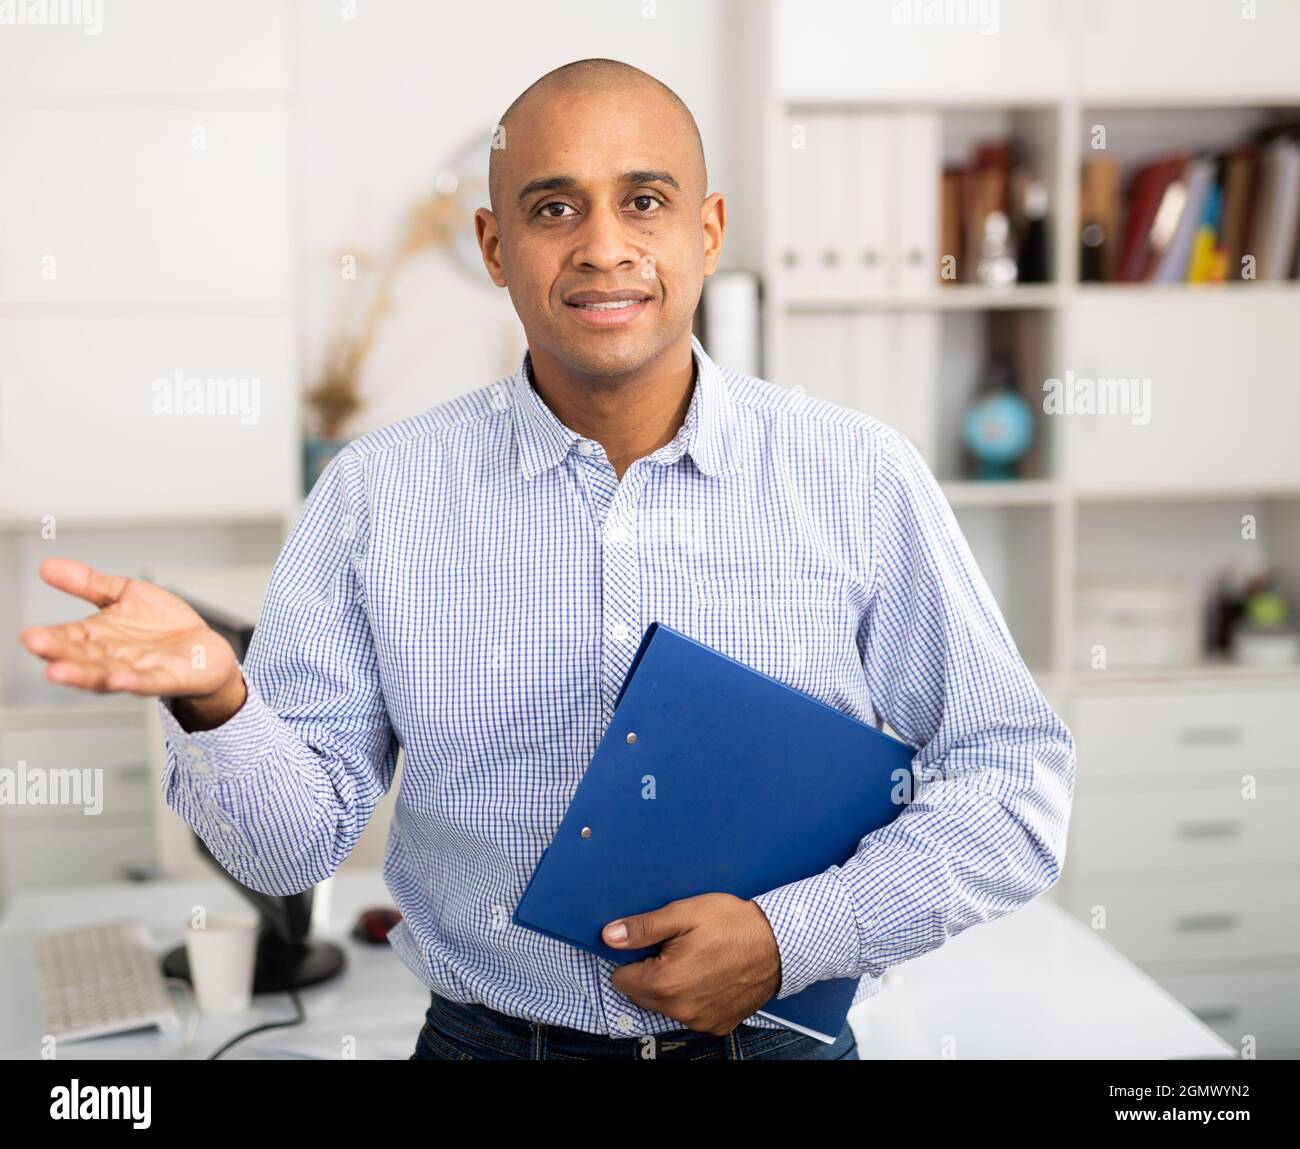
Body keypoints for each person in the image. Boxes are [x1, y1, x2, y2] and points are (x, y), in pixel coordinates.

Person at [17, 58, 1075, 1062]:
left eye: (646, 201)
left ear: (707, 232)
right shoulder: (372, 497)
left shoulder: (858, 475)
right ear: (493, 245)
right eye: (553, 207)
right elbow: (290, 855)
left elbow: (1012, 783)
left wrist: (792, 937)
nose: (603, 246)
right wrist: (218, 703)